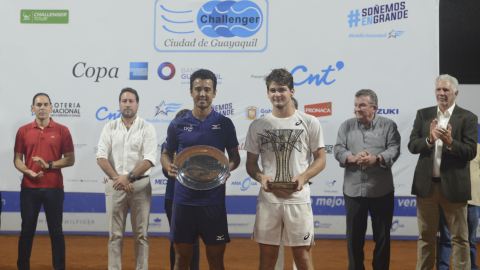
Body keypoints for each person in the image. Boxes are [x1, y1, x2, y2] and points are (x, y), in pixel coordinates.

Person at [245, 68, 326, 270]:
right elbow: (251, 164)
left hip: (298, 200)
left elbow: (321, 159)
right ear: (267, 93)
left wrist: (303, 177)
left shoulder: (310, 122)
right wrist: (261, 178)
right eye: (273, 90)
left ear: (292, 91)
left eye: (282, 89)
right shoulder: (258, 125)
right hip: (269, 201)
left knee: (303, 259)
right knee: (267, 260)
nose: (277, 94)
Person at [161, 69, 241, 270]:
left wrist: (227, 170)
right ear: (190, 92)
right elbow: (165, 153)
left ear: (214, 93)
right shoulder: (178, 124)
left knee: (216, 261)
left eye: (207, 89)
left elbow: (235, 157)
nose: (202, 93)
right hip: (183, 201)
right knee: (181, 261)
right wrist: (167, 166)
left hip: (213, 202)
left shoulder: (224, 124)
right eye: (198, 89)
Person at [409, 74, 478, 270]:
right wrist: (429, 140)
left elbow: (470, 152)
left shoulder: (468, 117)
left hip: (455, 189)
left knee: (460, 239)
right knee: (425, 238)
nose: (441, 93)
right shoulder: (423, 115)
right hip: (427, 188)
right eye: (438, 90)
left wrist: (450, 143)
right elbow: (412, 146)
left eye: (445, 90)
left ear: (455, 93)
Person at [334, 89, 401, 270]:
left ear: (374, 108)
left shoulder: (389, 125)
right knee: (354, 239)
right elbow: (338, 149)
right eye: (356, 105)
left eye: (362, 105)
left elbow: (394, 149)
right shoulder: (346, 126)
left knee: (382, 238)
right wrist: (353, 158)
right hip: (353, 191)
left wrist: (376, 158)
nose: (357, 109)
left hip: (381, 191)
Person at [96, 88, 157, 270]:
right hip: (115, 186)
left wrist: (129, 178)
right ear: (119, 104)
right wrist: (119, 179)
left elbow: (149, 159)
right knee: (115, 236)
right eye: (124, 101)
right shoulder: (109, 127)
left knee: (141, 235)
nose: (127, 104)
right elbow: (101, 157)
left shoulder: (147, 127)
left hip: (140, 187)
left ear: (137, 104)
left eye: (131, 101)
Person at [14, 93, 75, 270]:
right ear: (32, 108)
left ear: (51, 107)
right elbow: (17, 159)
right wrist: (27, 171)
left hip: (54, 188)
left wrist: (49, 165)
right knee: (26, 231)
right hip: (28, 188)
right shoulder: (23, 131)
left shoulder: (63, 130)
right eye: (38, 105)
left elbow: (70, 159)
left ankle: (59, 267)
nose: (42, 107)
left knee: (56, 232)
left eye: (45, 104)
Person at [162, 109, 200, 270]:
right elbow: (165, 172)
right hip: (173, 197)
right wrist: (175, 164)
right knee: (176, 239)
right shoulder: (168, 145)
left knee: (194, 240)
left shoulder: (198, 145)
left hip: (196, 197)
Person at [436, 142, 480, 270]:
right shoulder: (448, 145)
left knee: (470, 240)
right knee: (446, 238)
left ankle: (471, 267)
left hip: (472, 202)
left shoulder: (478, 148)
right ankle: (443, 267)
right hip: (450, 200)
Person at [275, 96, 299, 270]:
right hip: (273, 195)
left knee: (301, 243)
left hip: (298, 195)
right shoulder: (270, 130)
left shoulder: (304, 127)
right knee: (275, 241)